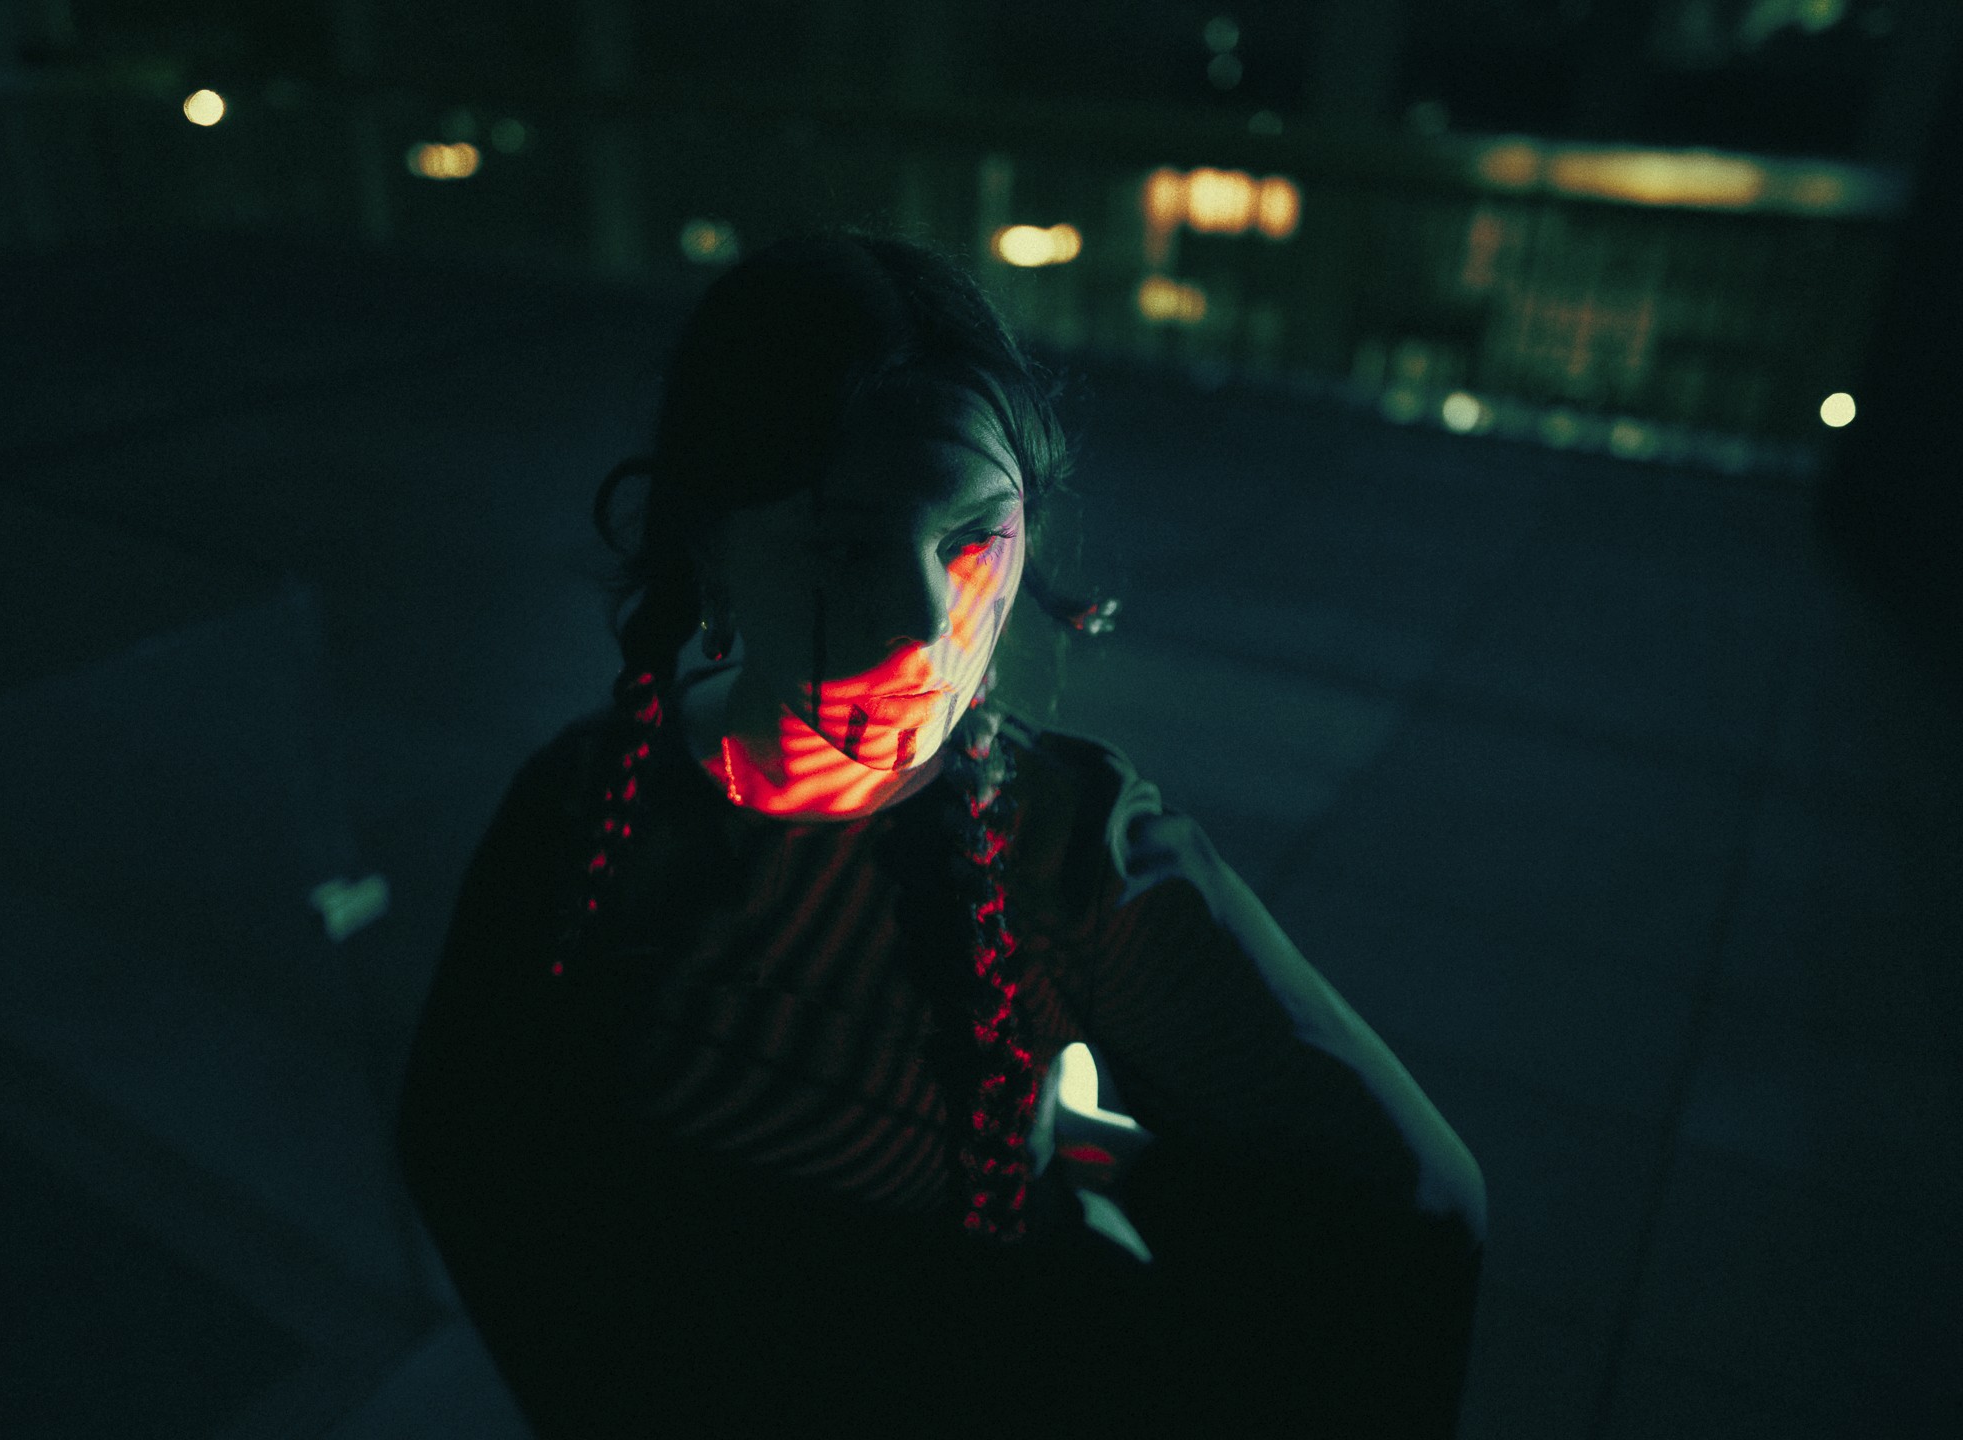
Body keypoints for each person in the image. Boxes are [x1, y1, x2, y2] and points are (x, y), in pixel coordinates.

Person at [394, 232, 1488, 1439]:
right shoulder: (581, 804)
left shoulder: (1071, 861)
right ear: (711, 545)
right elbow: (462, 1142)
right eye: (847, 546)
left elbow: (1406, 1210)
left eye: (973, 539)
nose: (924, 623)